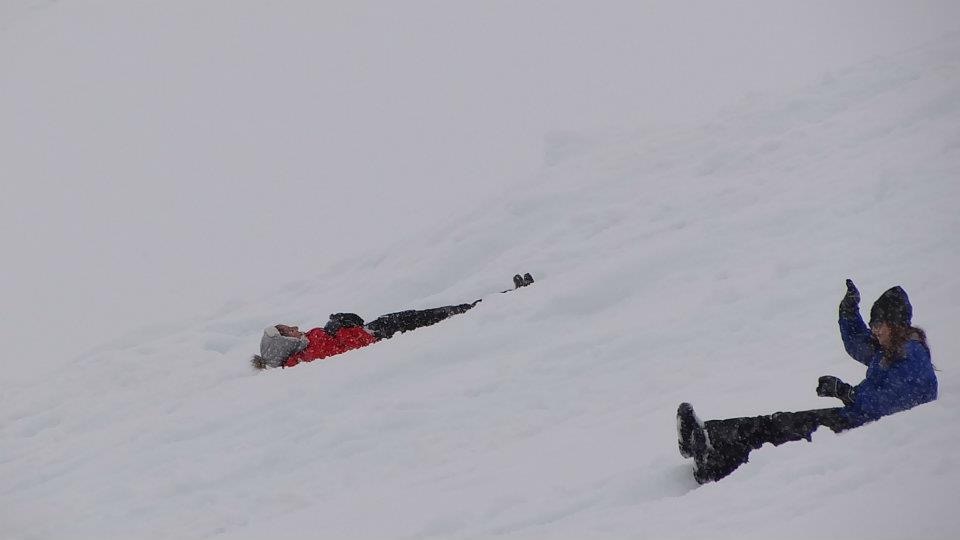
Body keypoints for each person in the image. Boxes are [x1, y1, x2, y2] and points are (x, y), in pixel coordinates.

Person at [677, 279, 937, 484]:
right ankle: (702, 436)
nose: (874, 330)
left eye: (879, 323)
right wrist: (848, 312)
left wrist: (846, 393)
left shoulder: (912, 356)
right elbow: (859, 345)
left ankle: (713, 465)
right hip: (853, 418)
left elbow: (891, 404)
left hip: (861, 428)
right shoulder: (890, 349)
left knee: (780, 433)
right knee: (777, 423)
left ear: (895, 323)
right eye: (872, 323)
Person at [252, 273, 534, 370]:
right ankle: (503, 301)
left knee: (440, 314)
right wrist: (340, 327)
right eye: (287, 330)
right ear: (283, 342)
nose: (294, 327)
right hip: (380, 335)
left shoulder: (304, 351)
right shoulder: (303, 358)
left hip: (376, 328)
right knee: (441, 317)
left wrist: (338, 325)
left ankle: (500, 298)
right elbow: (347, 348)